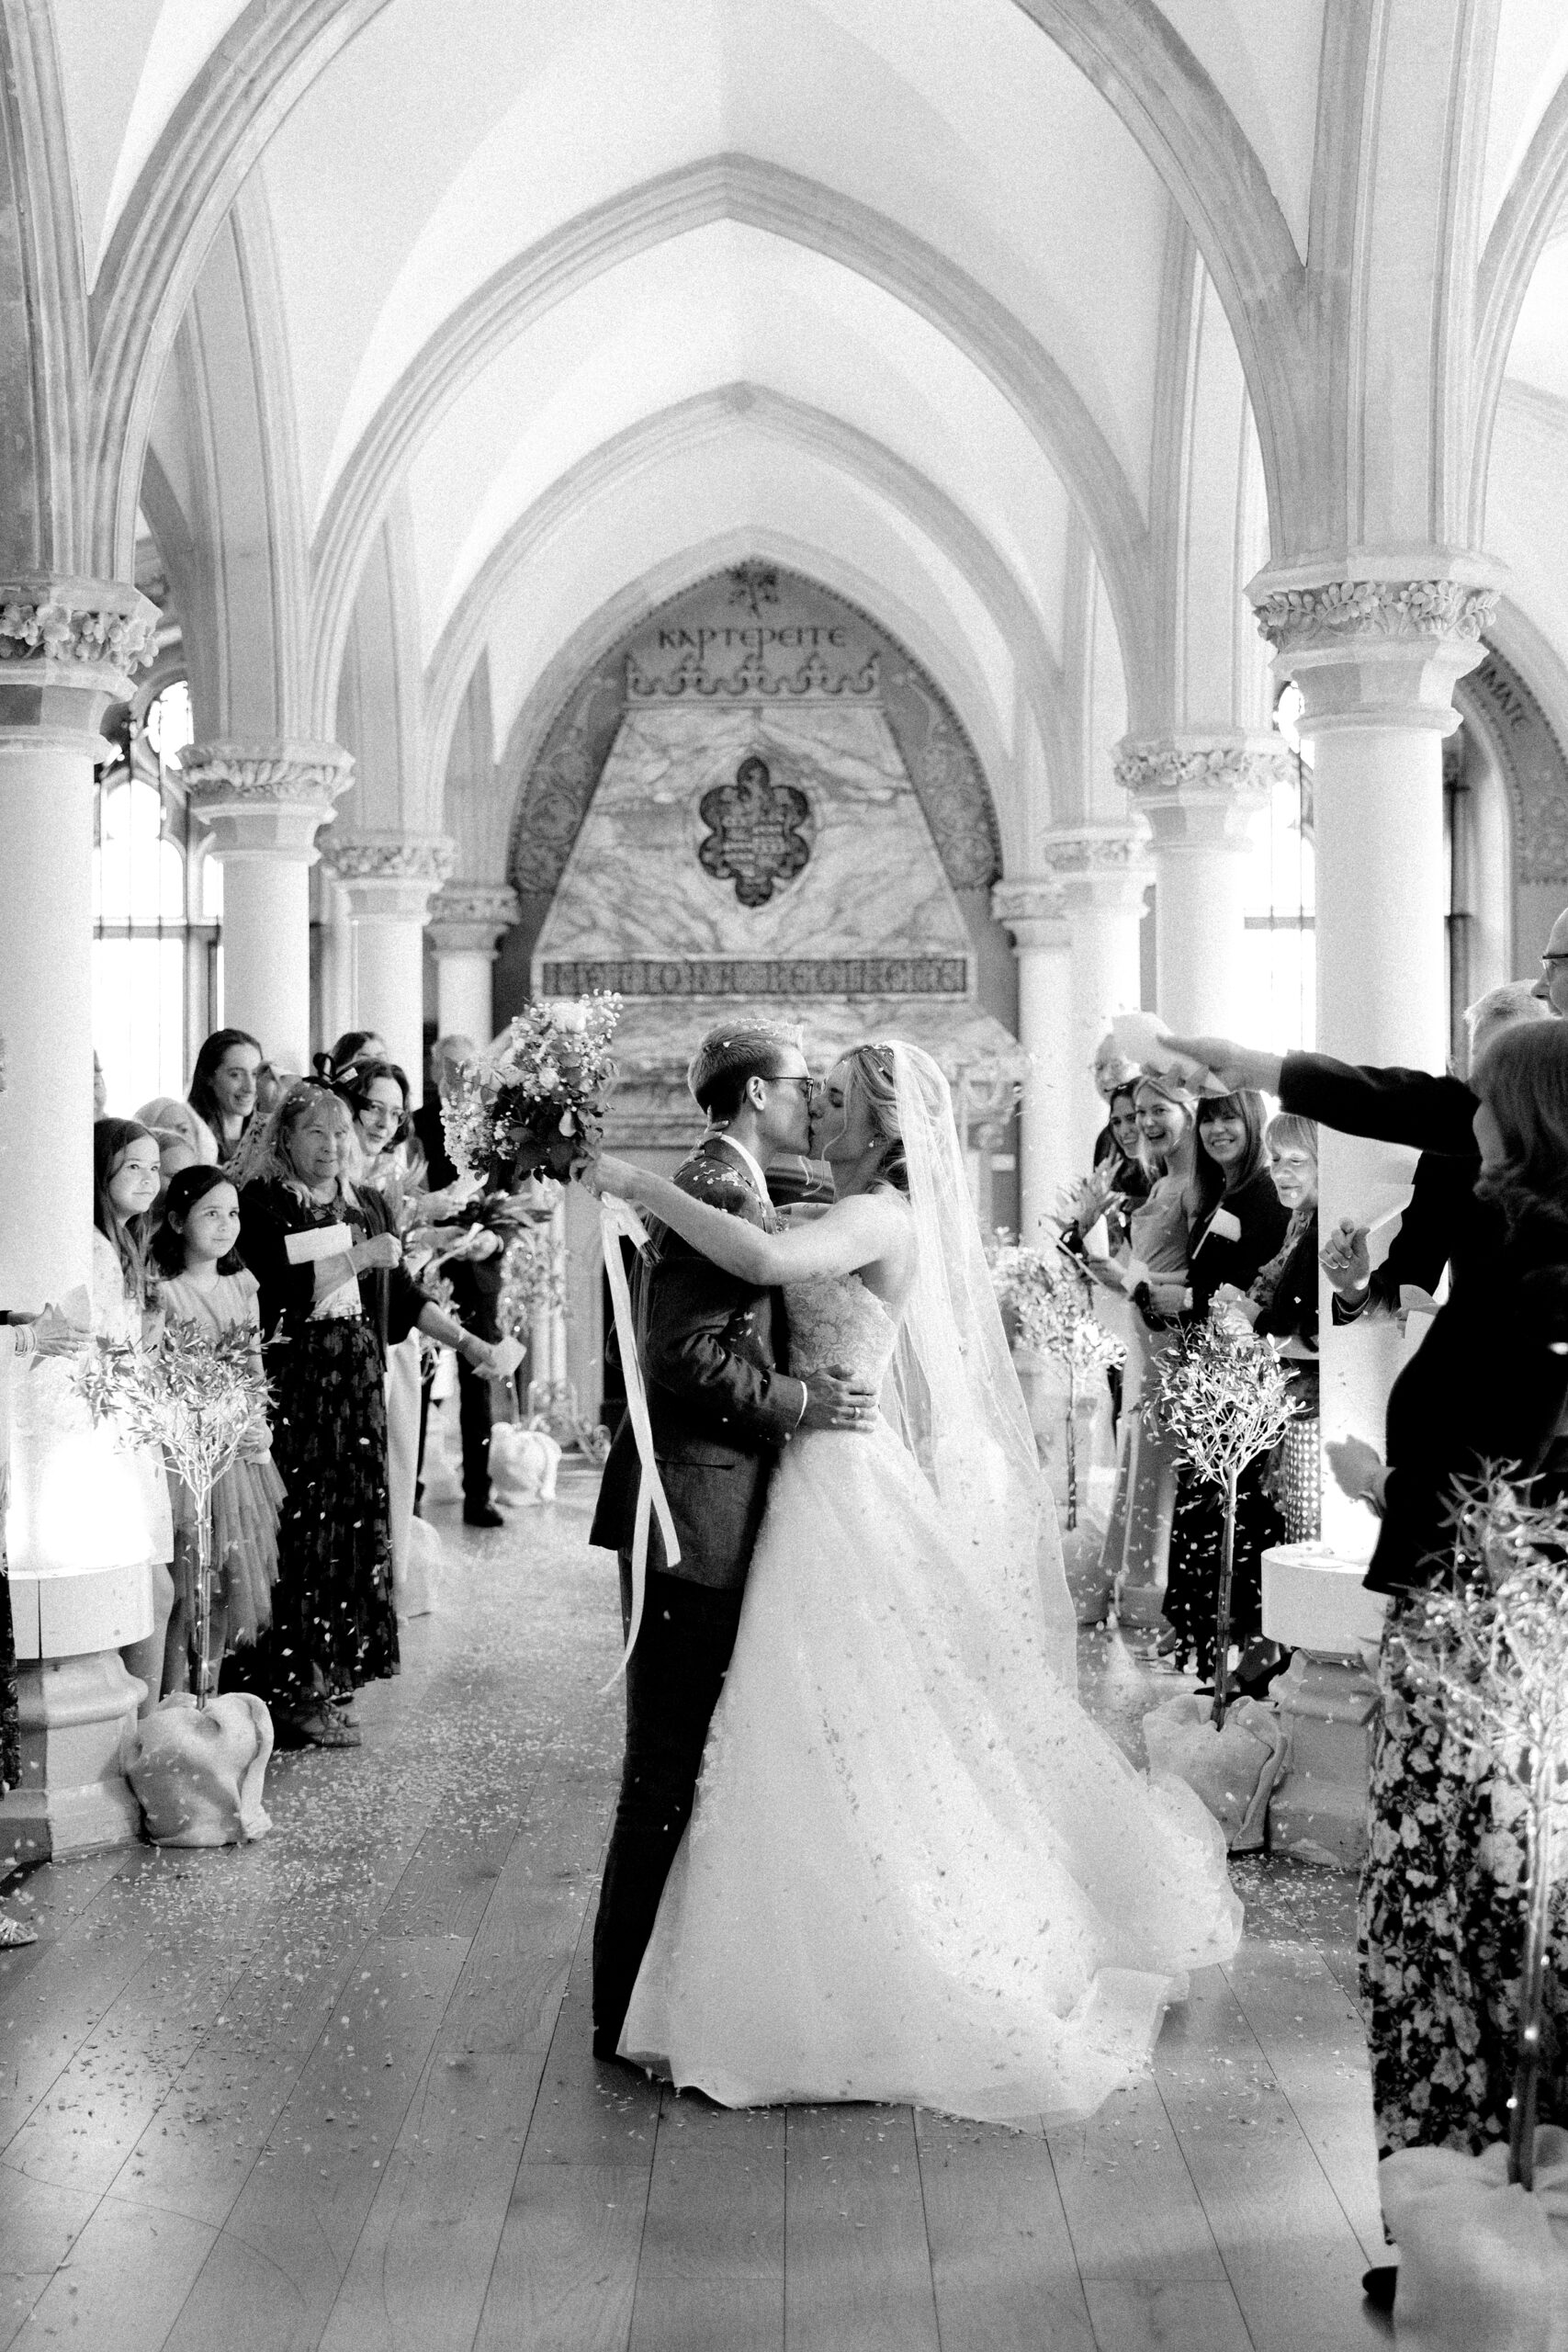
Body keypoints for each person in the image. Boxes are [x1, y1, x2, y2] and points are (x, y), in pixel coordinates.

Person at [583, 1041, 1241, 2120]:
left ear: (881, 1123)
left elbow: (759, 1264)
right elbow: (760, 1220)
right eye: (812, 1090)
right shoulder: (831, 1193)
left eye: (834, 1097)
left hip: (836, 1469)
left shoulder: (882, 1213)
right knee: (809, 1718)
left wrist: (636, 1180)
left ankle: (859, 1952)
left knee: (846, 1716)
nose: (818, 1106)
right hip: (812, 1472)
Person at [1333, 1021, 1568, 2303]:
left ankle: (1476, 2228)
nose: (1457, 1123)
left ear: (1521, 1118)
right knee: (1497, 1920)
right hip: (1492, 1629)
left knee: (1450, 1923)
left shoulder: (1532, 1275)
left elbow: (1512, 1478)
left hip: (1474, 1640)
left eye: (1477, 1103)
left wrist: (1379, 1484)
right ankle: (1479, 2215)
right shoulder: (1512, 1258)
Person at [586, 1021, 874, 2061]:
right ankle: (619, 2009)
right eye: (802, 1084)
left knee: (684, 1759)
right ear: (757, 1092)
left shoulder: (734, 1178)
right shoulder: (716, 1185)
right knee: (661, 1767)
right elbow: (681, 1354)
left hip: (716, 1500)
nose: (810, 1103)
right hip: (689, 1511)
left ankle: (654, 1994)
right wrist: (799, 1399)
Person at [235, 1081, 498, 1746]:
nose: (330, 1145)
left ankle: (329, 1676)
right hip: (300, 1384)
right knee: (304, 1530)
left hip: (356, 1383)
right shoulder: (264, 1205)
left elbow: (400, 1294)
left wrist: (468, 1343)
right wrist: (355, 1256)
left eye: (340, 1133)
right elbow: (273, 1292)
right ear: (285, 1140)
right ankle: (290, 1690)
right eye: (314, 1134)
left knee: (352, 1529)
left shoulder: (369, 1203)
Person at [1317, 983, 1547, 1322]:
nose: (1496, 1082)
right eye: (1484, 1065)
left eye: (1512, 1060)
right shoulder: (1449, 1154)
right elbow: (1410, 1279)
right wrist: (1355, 1289)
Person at [1159, 1092, 1287, 1679]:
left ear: (1253, 1122)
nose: (1216, 1130)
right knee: (1206, 1507)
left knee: (1233, 1512)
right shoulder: (1222, 1194)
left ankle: (1249, 1649)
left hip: (1239, 1376)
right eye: (1208, 1119)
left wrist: (1190, 1302)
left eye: (1228, 1117)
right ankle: (1208, 1639)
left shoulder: (1265, 1195)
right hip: (1208, 1372)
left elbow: (1253, 1294)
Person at [149, 1167, 283, 1687]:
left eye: (233, 1213)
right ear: (179, 1221)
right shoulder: (164, 1292)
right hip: (186, 1454)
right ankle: (172, 1701)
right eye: (211, 1213)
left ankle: (209, 1690)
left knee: (229, 1582)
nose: (226, 1224)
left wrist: (260, 1424)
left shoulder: (241, 1285)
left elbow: (253, 1369)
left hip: (234, 1454)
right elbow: (156, 1375)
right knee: (188, 1585)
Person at [1085, 1072, 1199, 1617]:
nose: (1144, 1125)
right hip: (1148, 1333)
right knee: (1144, 1446)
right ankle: (1141, 1590)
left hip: (1176, 1339)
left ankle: (1160, 1596)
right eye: (1133, 1116)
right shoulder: (1159, 1184)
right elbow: (1138, 1276)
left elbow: (1190, 1277)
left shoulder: (1197, 1185)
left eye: (1157, 1111)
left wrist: (1128, 1279)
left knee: (1166, 1458)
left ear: (1188, 1109)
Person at [332, 1057, 443, 1613]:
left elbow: (396, 1280)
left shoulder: (382, 1187)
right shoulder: (333, 1183)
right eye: (373, 1107)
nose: (382, 1122)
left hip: (383, 1336)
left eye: (395, 1113)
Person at [91, 1119, 175, 1713]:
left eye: (154, 1168)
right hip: (108, 1438)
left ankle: (143, 1730)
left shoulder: (126, 1243)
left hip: (131, 1429)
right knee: (148, 1589)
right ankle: (140, 1739)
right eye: (132, 1168)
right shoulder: (94, 1247)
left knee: (156, 1588)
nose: (148, 1180)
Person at [411, 1035, 507, 1527]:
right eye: (449, 1067)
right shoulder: (415, 1127)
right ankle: (411, 1492)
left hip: (478, 1270)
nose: (458, 1075)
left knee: (480, 1382)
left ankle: (479, 1495)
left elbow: (510, 1203)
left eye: (467, 1066)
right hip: (425, 1268)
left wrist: (496, 1241)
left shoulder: (495, 1130)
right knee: (420, 1382)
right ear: (434, 1072)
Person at [187, 1028, 264, 1170]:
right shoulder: (189, 1141)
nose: (250, 1087)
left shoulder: (266, 1140)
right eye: (235, 1075)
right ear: (209, 1076)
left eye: (255, 1074)